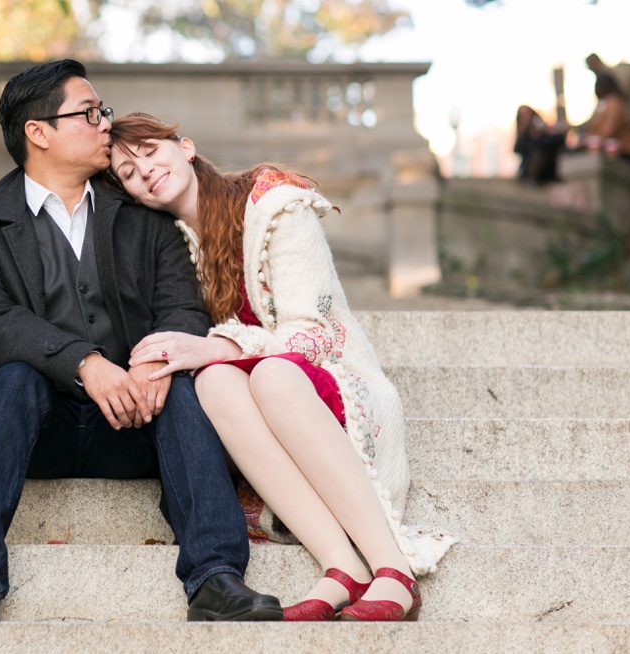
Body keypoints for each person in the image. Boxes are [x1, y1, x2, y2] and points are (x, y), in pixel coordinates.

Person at [0, 61, 283, 623]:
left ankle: (215, 577)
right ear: (39, 132)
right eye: (89, 112)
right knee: (13, 376)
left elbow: (182, 305)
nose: (105, 122)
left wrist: (153, 361)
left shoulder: (144, 219)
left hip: (139, 419)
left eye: (102, 109)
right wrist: (85, 363)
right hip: (40, 428)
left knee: (184, 386)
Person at [106, 112, 456, 622]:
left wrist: (218, 346)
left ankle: (392, 568)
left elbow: (313, 333)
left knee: (264, 371)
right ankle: (342, 567)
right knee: (216, 381)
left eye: (150, 153)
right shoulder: (171, 244)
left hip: (326, 384)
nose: (146, 172)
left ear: (184, 146)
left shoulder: (273, 203)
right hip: (261, 410)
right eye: (129, 174)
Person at [578, 74, 630, 160]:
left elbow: (608, 130)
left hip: (625, 151)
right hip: (614, 150)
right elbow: (594, 128)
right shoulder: (604, 105)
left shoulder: (614, 103)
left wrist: (588, 139)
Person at [514, 104, 567, 184]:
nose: (526, 117)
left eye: (528, 114)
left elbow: (559, 141)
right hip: (528, 170)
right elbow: (518, 150)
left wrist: (543, 131)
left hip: (546, 171)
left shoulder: (543, 131)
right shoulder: (524, 136)